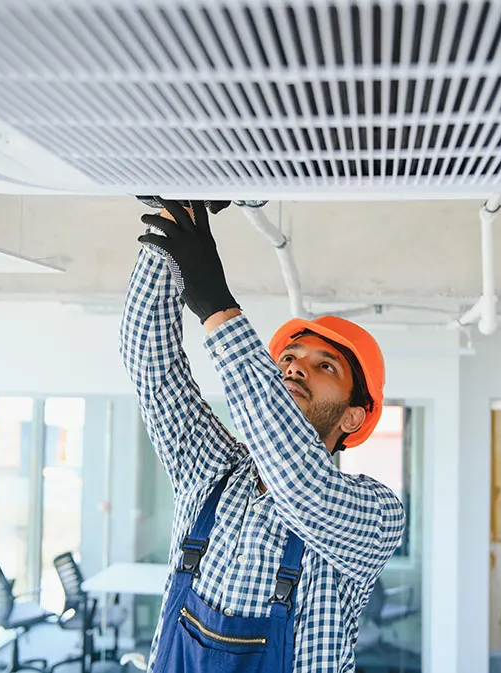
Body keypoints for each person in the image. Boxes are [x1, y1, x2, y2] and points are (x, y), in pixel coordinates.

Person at [120, 199, 406, 673]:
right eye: (290, 356)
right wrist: (175, 221)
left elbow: (299, 484)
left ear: (353, 418)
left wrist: (217, 306)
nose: (296, 366)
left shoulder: (375, 515)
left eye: (325, 365)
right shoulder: (210, 473)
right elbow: (150, 367)